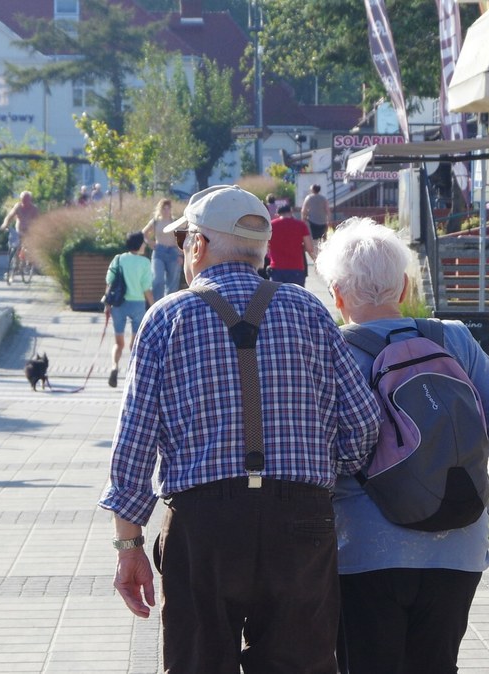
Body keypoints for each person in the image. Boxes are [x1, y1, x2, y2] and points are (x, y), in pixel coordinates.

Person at [98, 185, 381, 673]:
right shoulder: (310, 311)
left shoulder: (166, 318)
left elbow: (134, 447)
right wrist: (315, 472)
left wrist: (129, 546)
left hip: (205, 523)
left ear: (198, 246)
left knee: (199, 663)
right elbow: (363, 424)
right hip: (302, 520)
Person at [315, 218, 489, 674]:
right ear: (402, 286)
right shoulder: (451, 337)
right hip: (457, 541)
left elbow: (317, 451)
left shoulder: (329, 351)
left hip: (363, 547)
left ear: (336, 294)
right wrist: (439, 456)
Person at [104, 231, 153, 387]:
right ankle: (133, 374)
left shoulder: (118, 259)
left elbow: (110, 282)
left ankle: (114, 366)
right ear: (139, 244)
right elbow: (146, 288)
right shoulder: (145, 263)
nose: (145, 244)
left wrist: (107, 305)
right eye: (143, 242)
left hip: (118, 304)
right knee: (135, 343)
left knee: (119, 343)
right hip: (138, 304)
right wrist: (154, 306)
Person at [140, 198, 182, 301]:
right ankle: (156, 304)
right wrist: (150, 242)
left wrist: (181, 255)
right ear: (160, 209)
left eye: (168, 208)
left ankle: (169, 304)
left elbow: (181, 239)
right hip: (159, 251)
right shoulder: (155, 222)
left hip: (173, 251)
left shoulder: (175, 222)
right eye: (164, 208)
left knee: (172, 282)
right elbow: (144, 233)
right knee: (157, 280)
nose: (166, 211)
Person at [267, 203, 315, 286]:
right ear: (291, 212)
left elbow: (266, 245)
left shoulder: (271, 226)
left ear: (278, 213)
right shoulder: (301, 225)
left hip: (276, 268)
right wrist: (315, 260)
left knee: (276, 297)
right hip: (296, 268)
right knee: (297, 296)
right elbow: (309, 248)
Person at [0, 191, 38, 281]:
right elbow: (10, 216)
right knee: (16, 247)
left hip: (29, 232)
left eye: (27, 199)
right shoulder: (18, 207)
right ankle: (15, 266)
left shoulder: (34, 209)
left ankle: (29, 263)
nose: (24, 202)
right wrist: (5, 224)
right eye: (23, 199)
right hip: (19, 231)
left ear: (30, 200)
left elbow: (38, 220)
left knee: (28, 247)